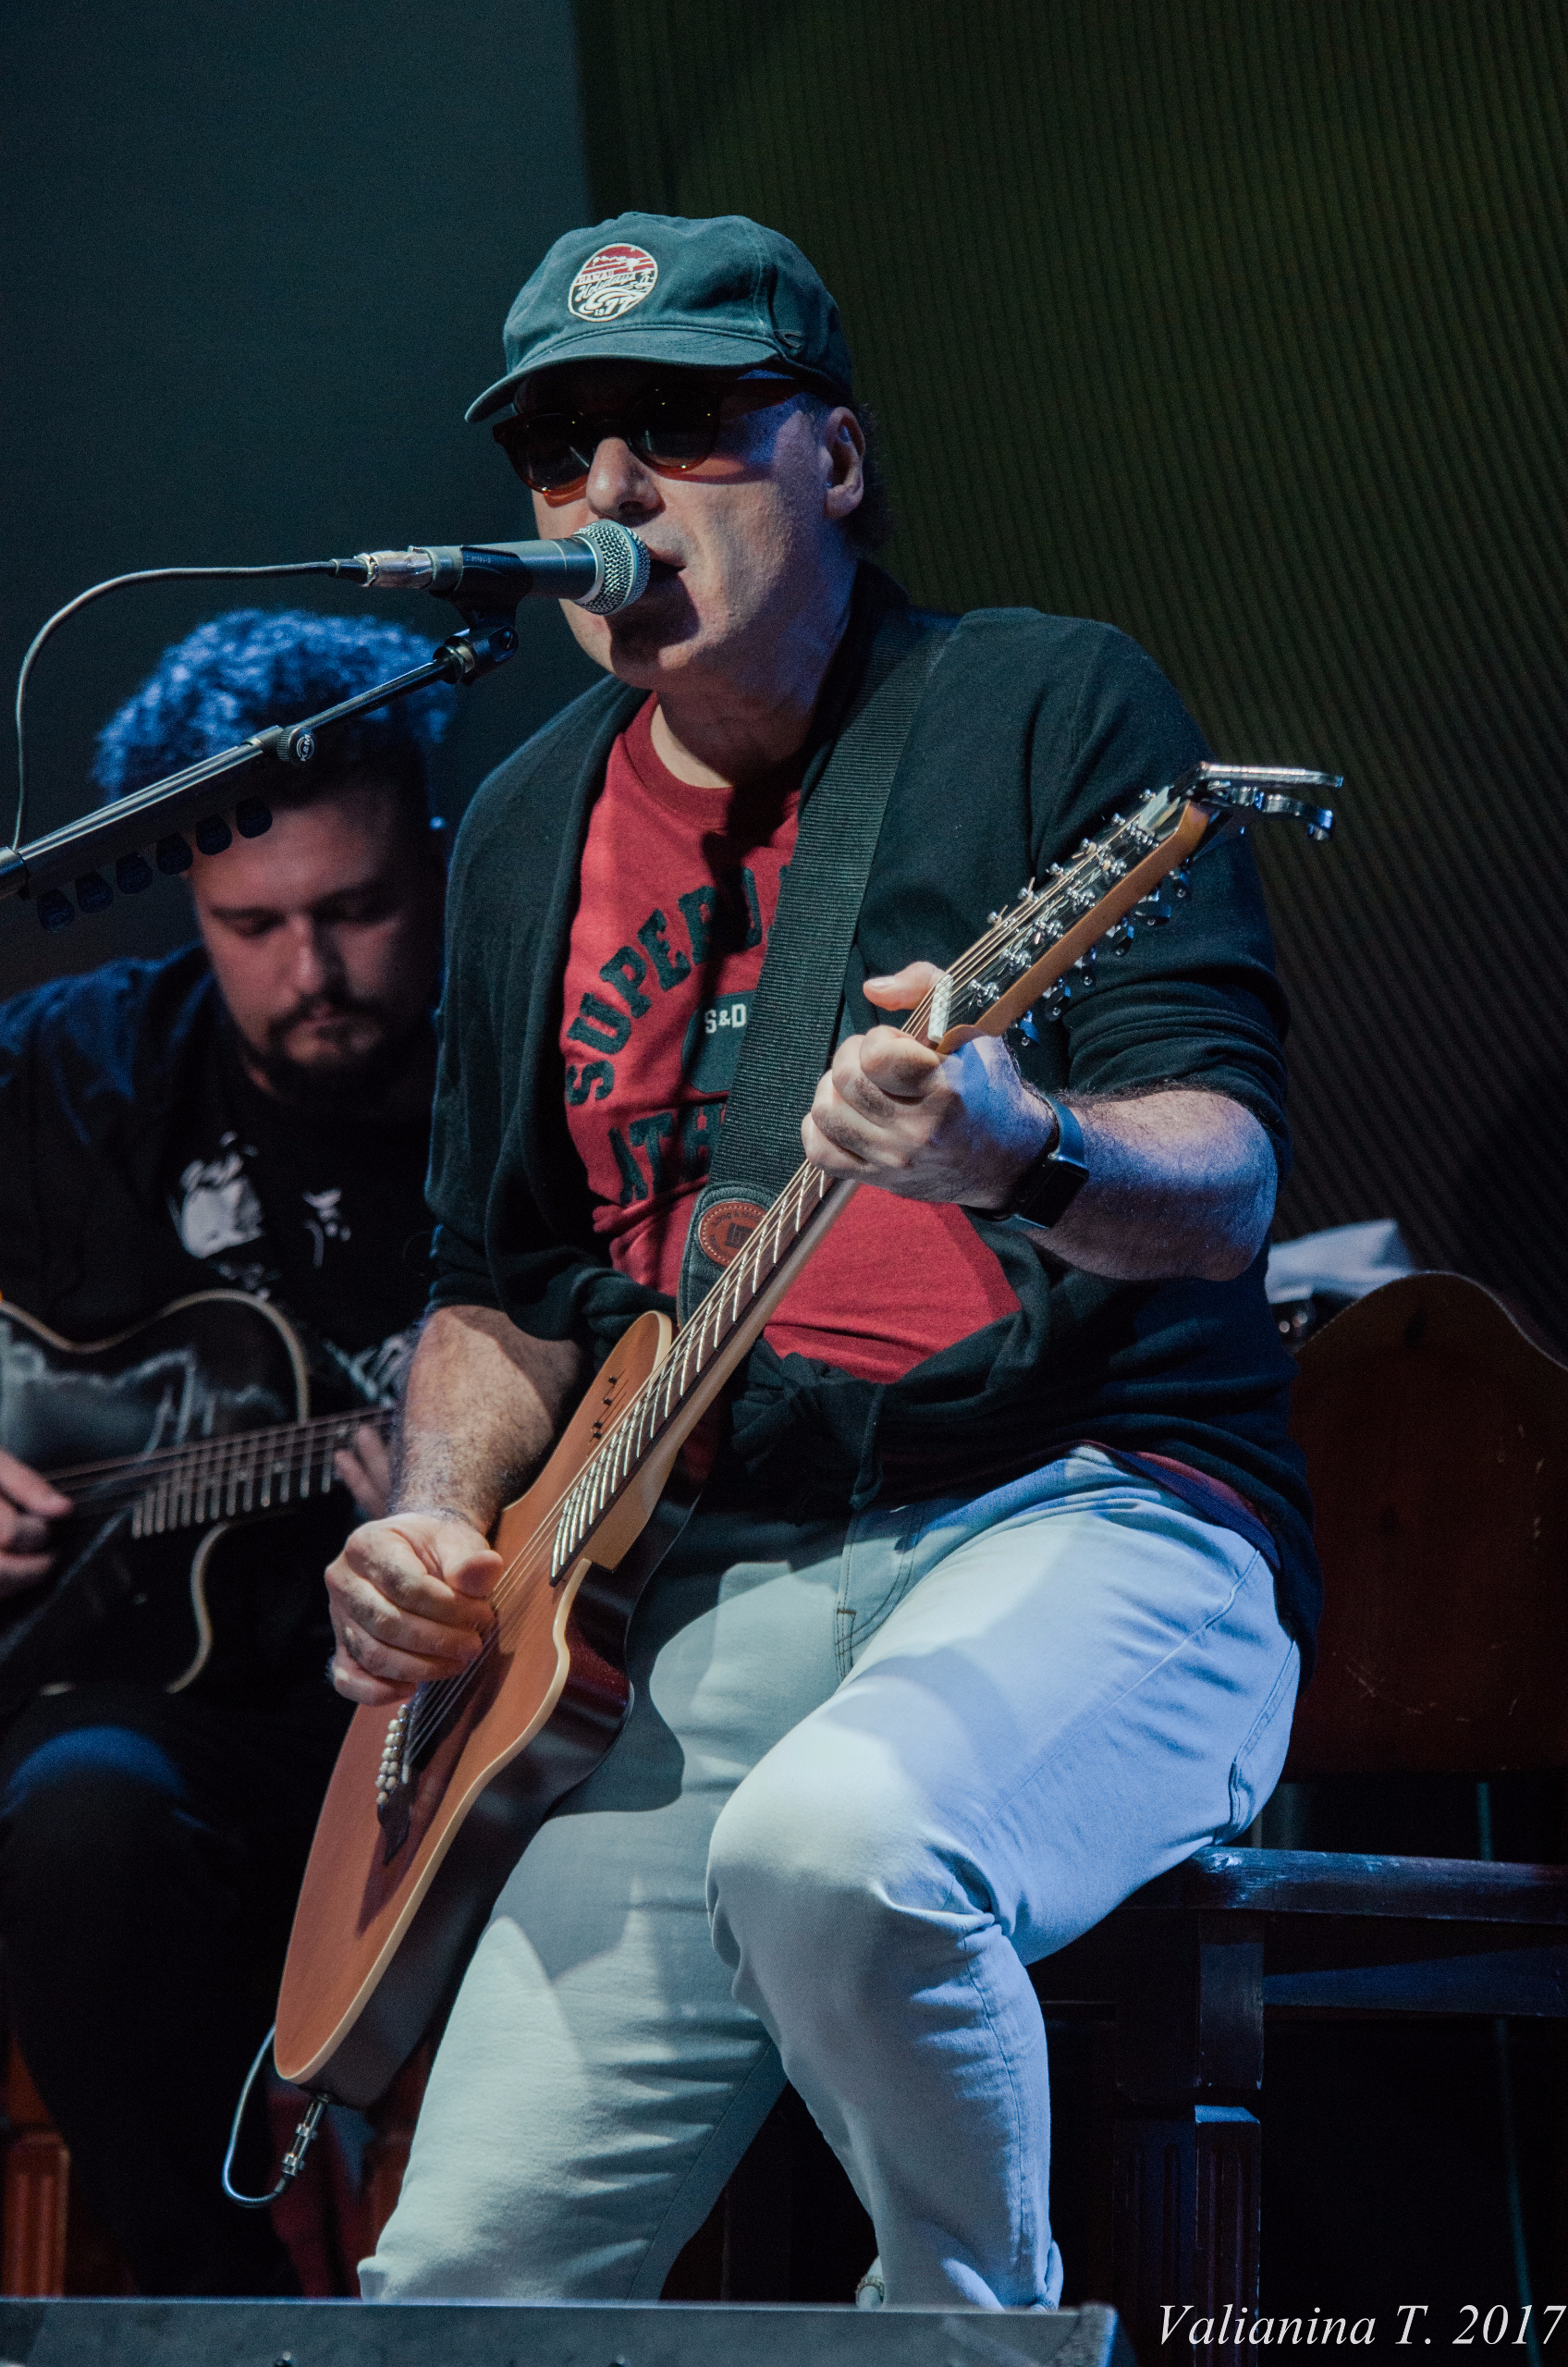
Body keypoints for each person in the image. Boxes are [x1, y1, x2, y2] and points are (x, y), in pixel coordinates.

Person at [327, 213, 1317, 2312]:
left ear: (838, 460)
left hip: (1092, 1517)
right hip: (703, 1591)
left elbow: (1225, 1174)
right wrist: (437, 1520)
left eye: (681, 425)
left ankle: (974, 2339)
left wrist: (1015, 1146)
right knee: (451, 2289)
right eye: (561, 448)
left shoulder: (1041, 701)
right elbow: (495, 1278)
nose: (611, 491)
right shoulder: (521, 826)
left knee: (835, 1849)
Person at [0, 609, 453, 2294]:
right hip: (161, 1731)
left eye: (356, 911)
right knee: (81, 1818)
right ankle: (228, 2319)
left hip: (453, 1720)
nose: (308, 971)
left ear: (435, 850)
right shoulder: (81, 1070)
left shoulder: (544, 1059)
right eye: (248, 926)